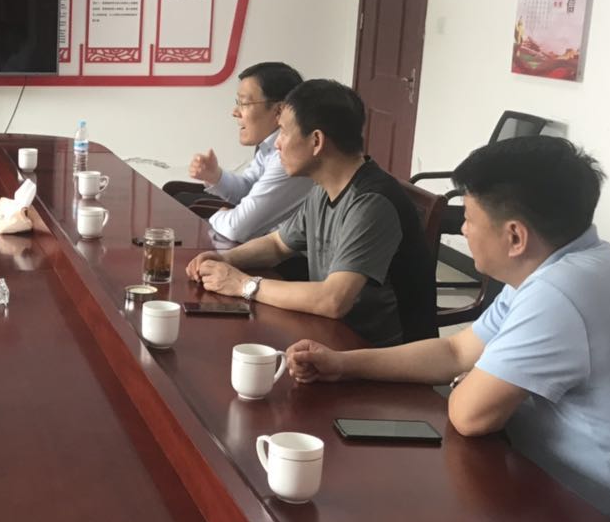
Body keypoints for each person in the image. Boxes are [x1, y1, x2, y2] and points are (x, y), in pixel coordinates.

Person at [285, 136, 610, 522]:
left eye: (469, 218)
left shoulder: (561, 292)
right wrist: (342, 364)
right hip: (591, 492)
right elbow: (455, 351)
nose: (463, 230)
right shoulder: (565, 266)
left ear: (515, 236)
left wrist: (473, 382)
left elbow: (470, 414)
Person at [185, 79, 436, 346]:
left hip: (379, 352)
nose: (277, 144)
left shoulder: (371, 203)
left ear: (316, 141)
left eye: (283, 132)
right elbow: (278, 244)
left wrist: (244, 285)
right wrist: (226, 259)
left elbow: (333, 300)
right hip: (330, 334)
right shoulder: (323, 189)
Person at [165, 61, 313, 250]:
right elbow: (250, 189)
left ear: (279, 110)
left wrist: (218, 215)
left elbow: (236, 228)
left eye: (244, 103)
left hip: (287, 259)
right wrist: (216, 177)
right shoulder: (269, 145)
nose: (235, 112)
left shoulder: (289, 155)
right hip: (264, 246)